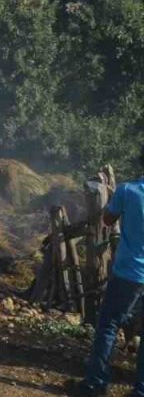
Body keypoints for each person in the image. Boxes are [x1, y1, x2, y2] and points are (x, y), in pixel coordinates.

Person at [75, 146, 144, 396]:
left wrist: (114, 198)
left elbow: (107, 220)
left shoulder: (128, 190)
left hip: (129, 272)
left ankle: (95, 383)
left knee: (108, 326)